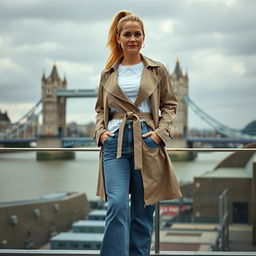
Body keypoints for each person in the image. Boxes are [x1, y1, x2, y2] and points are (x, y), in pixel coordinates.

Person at [94, 10, 182, 256]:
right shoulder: (107, 73)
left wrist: (159, 134)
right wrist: (101, 133)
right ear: (118, 38)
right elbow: (101, 110)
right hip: (115, 143)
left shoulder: (158, 69)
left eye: (137, 34)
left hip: (147, 141)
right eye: (127, 34)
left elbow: (170, 105)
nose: (133, 38)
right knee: (118, 205)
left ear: (144, 38)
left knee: (143, 212)